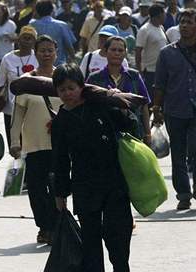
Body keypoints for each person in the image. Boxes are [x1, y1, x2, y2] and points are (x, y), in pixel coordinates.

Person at [52, 63, 137, 272]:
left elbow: (131, 125)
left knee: (118, 235)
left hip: (114, 182)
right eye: (62, 89)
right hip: (84, 187)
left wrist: (117, 102)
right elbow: (60, 159)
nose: (67, 93)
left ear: (81, 87)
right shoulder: (60, 121)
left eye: (71, 87)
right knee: (90, 243)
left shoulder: (100, 105)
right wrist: (60, 193)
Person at [153, 9, 196, 210]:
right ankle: (183, 194)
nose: (184, 25)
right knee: (178, 154)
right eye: (182, 22)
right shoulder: (166, 53)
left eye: (189, 22)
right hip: (174, 110)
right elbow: (160, 84)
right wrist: (156, 108)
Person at [10, 35, 61, 244]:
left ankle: (58, 225)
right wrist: (15, 142)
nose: (46, 54)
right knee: (37, 189)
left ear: (56, 52)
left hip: (61, 143)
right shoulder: (27, 83)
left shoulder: (64, 77)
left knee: (60, 187)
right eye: (42, 50)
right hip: (34, 145)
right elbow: (17, 115)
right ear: (36, 53)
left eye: (50, 50)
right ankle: (45, 227)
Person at [87, 36, 151, 144]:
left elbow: (144, 105)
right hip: (104, 135)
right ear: (106, 51)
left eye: (120, 50)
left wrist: (148, 134)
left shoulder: (134, 76)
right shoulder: (94, 78)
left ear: (125, 53)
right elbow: (87, 107)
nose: (117, 53)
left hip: (132, 135)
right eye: (113, 50)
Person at [0, 25, 39, 148]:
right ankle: (17, 166)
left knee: (31, 146)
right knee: (15, 146)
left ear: (34, 42)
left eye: (30, 38)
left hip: (33, 109)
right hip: (11, 110)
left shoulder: (38, 57)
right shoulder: (7, 59)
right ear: (18, 40)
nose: (26, 41)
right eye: (23, 38)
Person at [135, 3, 168, 104]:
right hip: (149, 72)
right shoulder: (144, 30)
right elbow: (138, 52)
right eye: (164, 14)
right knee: (150, 101)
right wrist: (140, 72)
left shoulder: (161, 28)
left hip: (162, 70)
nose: (165, 16)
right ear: (159, 15)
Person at [30, 0, 77, 65]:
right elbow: (69, 46)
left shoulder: (32, 26)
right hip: (59, 66)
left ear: (37, 11)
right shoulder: (62, 25)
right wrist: (74, 61)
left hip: (38, 66)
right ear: (52, 10)